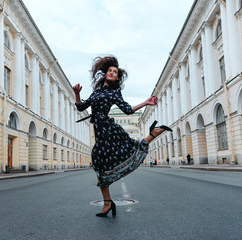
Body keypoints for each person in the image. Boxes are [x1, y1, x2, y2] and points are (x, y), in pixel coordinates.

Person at [73, 56, 172, 217]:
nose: (112, 73)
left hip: (109, 130)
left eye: (115, 72)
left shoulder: (114, 92)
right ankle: (108, 203)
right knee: (99, 164)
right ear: (105, 74)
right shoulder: (97, 92)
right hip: (100, 132)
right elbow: (80, 107)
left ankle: (107, 204)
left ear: (117, 77)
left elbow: (127, 110)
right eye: (110, 71)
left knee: (108, 159)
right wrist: (76, 93)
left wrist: (145, 102)